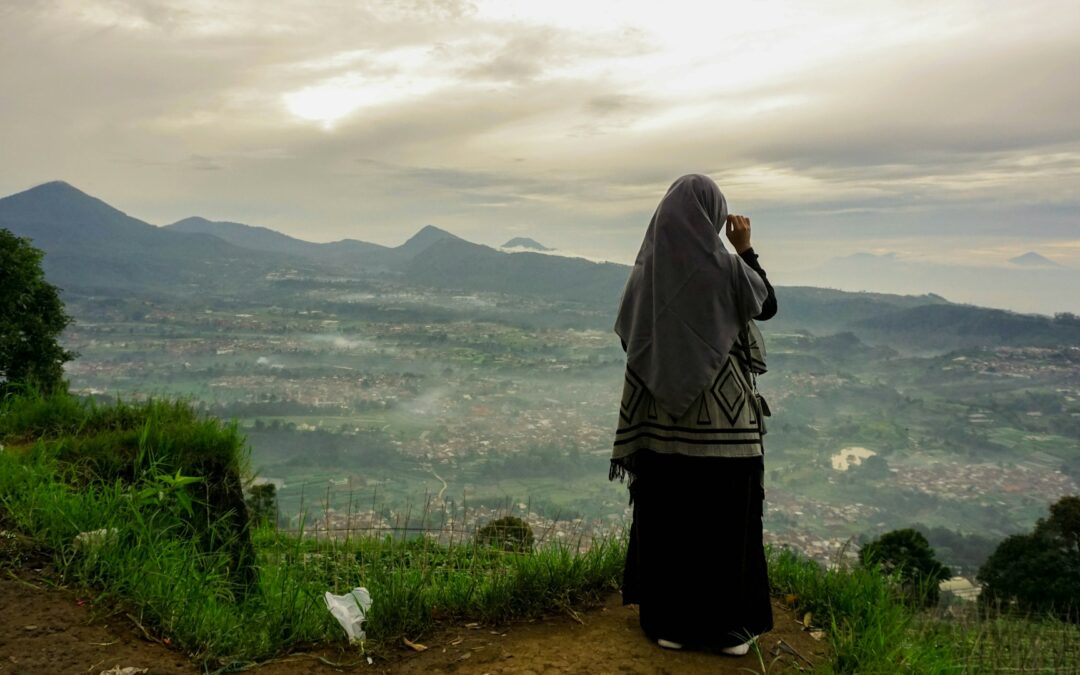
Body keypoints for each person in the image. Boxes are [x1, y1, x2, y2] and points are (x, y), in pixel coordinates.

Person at [610, 173, 777, 654]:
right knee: (726, 524)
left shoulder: (645, 273)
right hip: (726, 426)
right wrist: (744, 249)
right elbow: (765, 303)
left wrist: (672, 364)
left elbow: (630, 338)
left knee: (669, 520)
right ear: (713, 214)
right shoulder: (727, 269)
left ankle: (670, 624)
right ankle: (728, 632)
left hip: (661, 424)